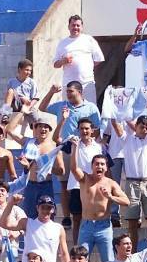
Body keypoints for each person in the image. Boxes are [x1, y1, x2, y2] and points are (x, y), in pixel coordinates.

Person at [40, 81, 101, 230]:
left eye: (71, 91)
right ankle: (67, 216)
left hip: (84, 149)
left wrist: (89, 144)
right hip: (65, 147)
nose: (68, 94)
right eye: (67, 91)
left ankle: (86, 212)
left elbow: (97, 128)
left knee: (84, 182)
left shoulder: (91, 108)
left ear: (80, 92)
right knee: (64, 183)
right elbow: (41, 108)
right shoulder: (62, 105)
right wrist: (51, 92)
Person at [109, 99, 147, 250]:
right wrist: (113, 105)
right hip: (131, 183)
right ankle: (133, 251)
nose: (144, 129)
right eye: (142, 126)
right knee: (132, 220)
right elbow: (115, 124)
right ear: (136, 126)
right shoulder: (127, 139)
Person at [70, 143, 129, 261]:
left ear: (106, 168)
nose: (99, 166)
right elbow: (73, 168)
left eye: (102, 164)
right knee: (81, 260)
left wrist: (111, 197)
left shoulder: (111, 183)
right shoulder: (84, 179)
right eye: (96, 164)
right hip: (86, 225)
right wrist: (75, 147)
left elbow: (126, 201)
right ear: (92, 166)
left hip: (104, 227)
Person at [6, 109, 64, 218]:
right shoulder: (27, 142)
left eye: (46, 127)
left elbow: (61, 171)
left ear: (49, 130)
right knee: (29, 218)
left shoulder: (54, 147)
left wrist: (48, 167)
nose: (43, 129)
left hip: (46, 186)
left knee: (47, 218)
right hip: (30, 185)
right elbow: (9, 130)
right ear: (35, 129)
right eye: (40, 126)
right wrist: (22, 112)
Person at [55, 116, 102, 243]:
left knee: (91, 218)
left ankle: (89, 246)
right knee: (76, 218)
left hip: (93, 186)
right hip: (76, 186)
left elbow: (104, 166)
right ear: (78, 130)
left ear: (92, 130)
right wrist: (63, 120)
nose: (84, 131)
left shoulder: (98, 147)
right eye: (81, 129)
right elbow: (56, 139)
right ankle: (77, 247)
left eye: (87, 128)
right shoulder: (73, 143)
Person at [0, 194, 70, 262]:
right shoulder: (27, 222)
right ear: (37, 208)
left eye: (49, 208)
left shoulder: (59, 228)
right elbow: (3, 224)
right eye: (43, 207)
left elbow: (64, 253)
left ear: (53, 210)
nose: (45, 210)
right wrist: (11, 203)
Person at [53, 14, 104, 103]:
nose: (75, 27)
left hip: (87, 84)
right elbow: (55, 64)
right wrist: (63, 61)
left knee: (89, 112)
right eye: (73, 25)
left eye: (78, 25)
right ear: (68, 27)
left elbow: (98, 59)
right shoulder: (62, 43)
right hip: (68, 85)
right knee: (68, 112)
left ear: (82, 27)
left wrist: (85, 68)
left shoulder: (89, 39)